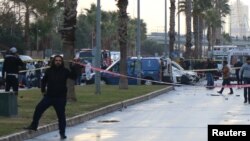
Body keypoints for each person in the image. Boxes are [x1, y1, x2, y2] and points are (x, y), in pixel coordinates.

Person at [24, 55, 77, 139]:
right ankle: (34, 125)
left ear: (62, 62)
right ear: (54, 61)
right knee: (38, 109)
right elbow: (43, 81)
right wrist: (43, 90)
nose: (58, 62)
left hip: (60, 98)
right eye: (56, 60)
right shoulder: (49, 71)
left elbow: (73, 77)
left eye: (59, 60)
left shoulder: (65, 71)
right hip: (49, 96)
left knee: (61, 116)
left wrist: (74, 67)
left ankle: (62, 133)